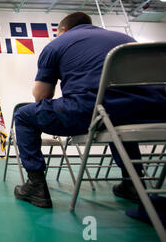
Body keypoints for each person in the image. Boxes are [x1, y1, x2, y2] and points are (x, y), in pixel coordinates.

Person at [13, 12, 166, 209]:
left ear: (64, 30)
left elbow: (41, 97)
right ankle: (133, 183)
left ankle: (36, 186)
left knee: (23, 114)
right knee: (117, 116)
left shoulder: (57, 44)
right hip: (152, 108)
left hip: (92, 109)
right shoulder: (127, 40)